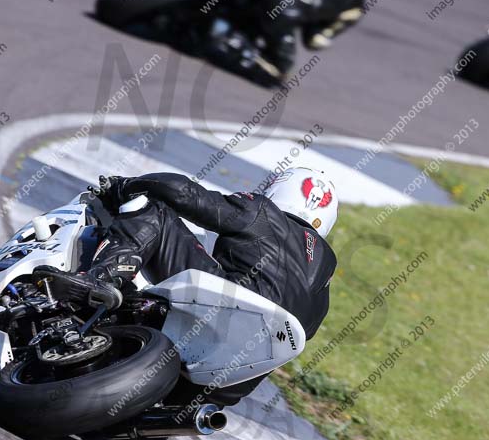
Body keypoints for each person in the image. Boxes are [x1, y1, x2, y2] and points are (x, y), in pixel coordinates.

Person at [51, 168, 338, 394]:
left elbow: (183, 192)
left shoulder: (264, 212)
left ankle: (100, 281)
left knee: (155, 211)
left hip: (227, 306)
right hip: (228, 383)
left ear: (276, 189)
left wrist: (125, 186)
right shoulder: (325, 283)